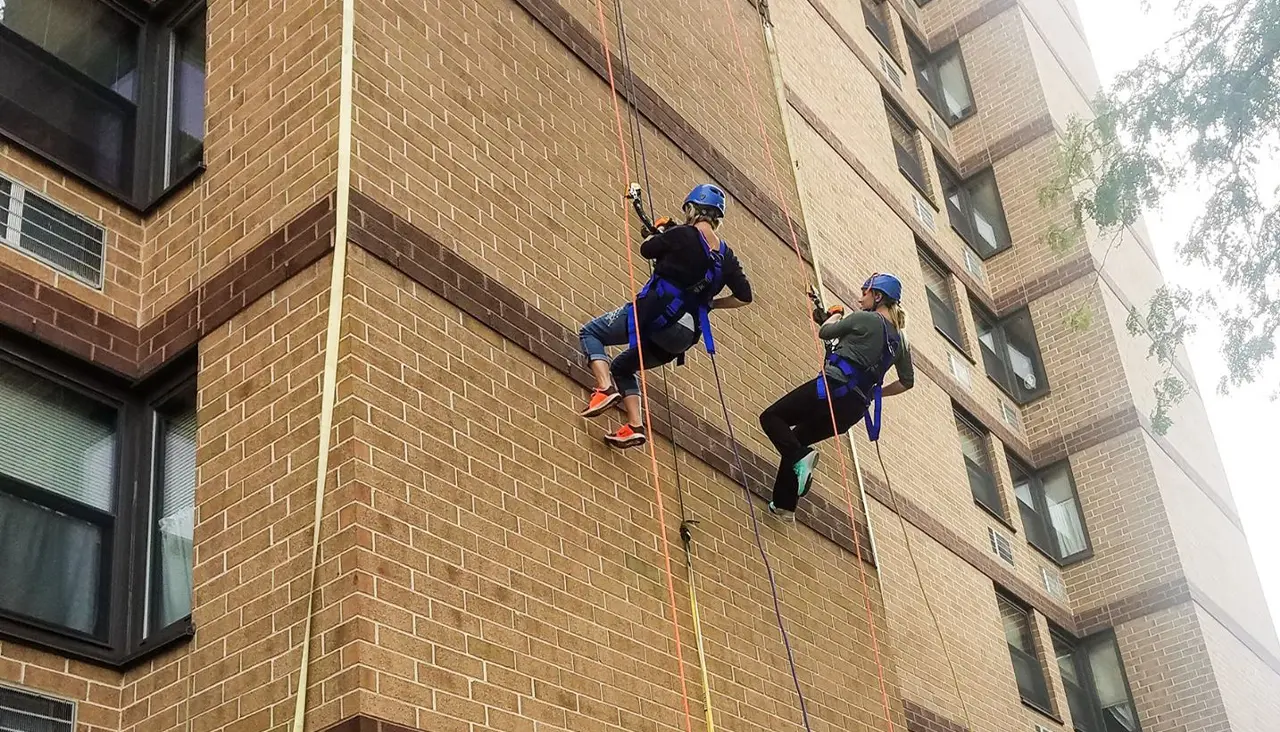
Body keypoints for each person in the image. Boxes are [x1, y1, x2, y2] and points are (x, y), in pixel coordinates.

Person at [578, 183, 753, 448]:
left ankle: (605, 388)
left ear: (693, 209)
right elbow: (744, 296)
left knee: (591, 333)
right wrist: (711, 305)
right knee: (623, 367)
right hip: (683, 336)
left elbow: (648, 250)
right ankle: (635, 426)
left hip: (654, 312)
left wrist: (659, 233)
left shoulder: (682, 234)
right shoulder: (726, 257)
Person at [759, 273, 914, 519]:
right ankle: (784, 506)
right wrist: (877, 392)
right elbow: (907, 382)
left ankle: (800, 458)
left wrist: (835, 314)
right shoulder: (900, 341)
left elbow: (826, 332)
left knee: (771, 417)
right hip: (852, 409)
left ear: (878, 296)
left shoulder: (866, 319)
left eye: (865, 293)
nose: (861, 298)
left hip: (832, 388)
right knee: (797, 437)